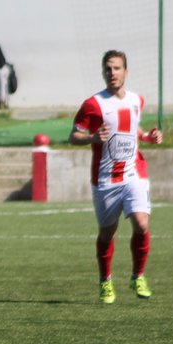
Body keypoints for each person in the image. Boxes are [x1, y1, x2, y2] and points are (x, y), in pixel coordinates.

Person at [69, 50, 163, 304]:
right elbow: (73, 136)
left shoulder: (136, 100)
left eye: (117, 68)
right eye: (108, 69)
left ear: (126, 72)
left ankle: (138, 276)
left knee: (141, 224)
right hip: (106, 179)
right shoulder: (93, 104)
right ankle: (105, 280)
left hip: (134, 172)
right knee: (107, 234)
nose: (113, 73)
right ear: (103, 72)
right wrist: (91, 138)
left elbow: (133, 128)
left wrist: (148, 137)